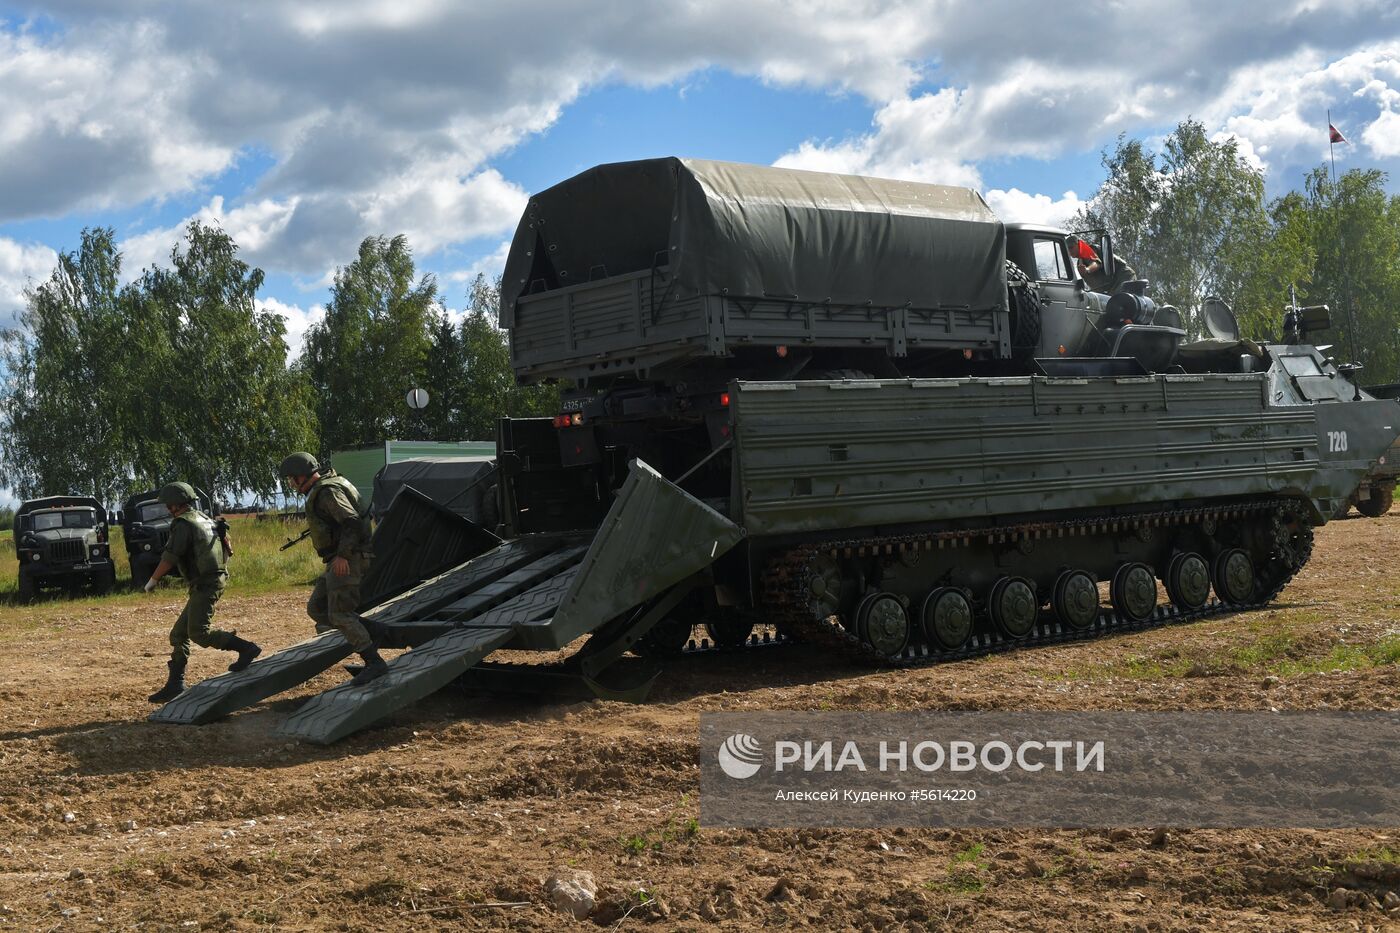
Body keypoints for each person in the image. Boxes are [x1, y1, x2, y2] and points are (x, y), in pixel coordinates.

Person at [278, 451, 388, 685]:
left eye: (291, 479)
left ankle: (374, 662)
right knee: (317, 607)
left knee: (339, 613)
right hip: (340, 558)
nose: (291, 484)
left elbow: (351, 522)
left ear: (301, 476)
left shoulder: (327, 492)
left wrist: (343, 556)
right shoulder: (326, 488)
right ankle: (374, 631)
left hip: (348, 559)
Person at [145, 482, 260, 703]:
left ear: (174, 505)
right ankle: (175, 685)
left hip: (206, 584)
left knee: (199, 633)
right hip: (210, 581)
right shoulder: (206, 519)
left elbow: (170, 556)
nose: (167, 509)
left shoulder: (183, 524)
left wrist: (152, 581)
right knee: (179, 634)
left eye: (168, 505)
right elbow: (229, 551)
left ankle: (247, 648)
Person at [1069, 235, 1137, 295]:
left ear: (1079, 245)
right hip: (1111, 286)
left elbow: (1096, 263)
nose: (1069, 251)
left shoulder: (1087, 250)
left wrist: (1087, 269)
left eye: (1071, 247)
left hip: (1122, 277)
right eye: (1067, 248)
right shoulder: (1080, 262)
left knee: (1119, 302)